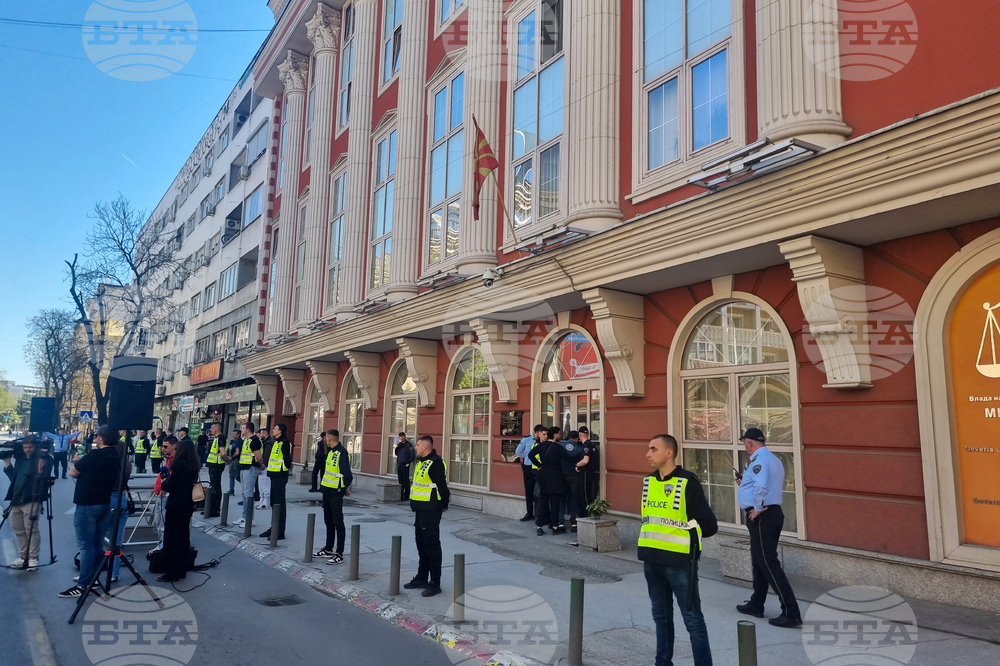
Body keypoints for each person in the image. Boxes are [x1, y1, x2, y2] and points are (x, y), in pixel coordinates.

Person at [641, 434, 718, 666]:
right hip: (651, 561)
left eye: (653, 449)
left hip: (680, 564)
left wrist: (687, 538)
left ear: (669, 452)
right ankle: (662, 663)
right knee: (661, 618)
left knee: (693, 620)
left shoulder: (687, 482)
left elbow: (709, 525)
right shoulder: (648, 481)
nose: (648, 454)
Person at [734, 428, 802, 628]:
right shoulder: (772, 459)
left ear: (748, 443)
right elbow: (760, 483)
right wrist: (743, 481)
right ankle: (756, 603)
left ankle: (791, 612)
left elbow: (761, 486)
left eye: (744, 443)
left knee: (768, 563)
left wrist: (756, 509)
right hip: (769, 513)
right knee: (759, 561)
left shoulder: (759, 460)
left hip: (763, 515)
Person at [59, 426, 120, 598]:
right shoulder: (115, 456)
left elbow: (73, 472)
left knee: (86, 546)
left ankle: (82, 585)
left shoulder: (94, 455)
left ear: (101, 438)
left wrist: (77, 462)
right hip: (104, 503)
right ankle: (91, 578)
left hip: (87, 505)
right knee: (97, 544)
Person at [403, 435, 449, 597]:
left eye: (418, 445)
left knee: (431, 546)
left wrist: (444, 504)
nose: (415, 447)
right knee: (421, 545)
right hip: (420, 510)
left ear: (426, 447)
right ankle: (422, 577)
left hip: (430, 510)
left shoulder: (435, 463)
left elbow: (442, 487)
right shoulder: (421, 462)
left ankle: (435, 583)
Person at [3, 435, 52, 571]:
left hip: (32, 499)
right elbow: (13, 477)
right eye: (25, 447)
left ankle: (33, 558)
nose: (27, 450)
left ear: (35, 447)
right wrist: (7, 462)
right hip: (16, 499)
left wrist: (41, 468)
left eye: (30, 447)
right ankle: (22, 556)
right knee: (18, 529)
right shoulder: (21, 459)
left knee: (31, 529)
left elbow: (45, 479)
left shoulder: (44, 459)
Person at [158, 436, 200, 583]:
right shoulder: (194, 465)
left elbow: (170, 486)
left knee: (172, 538)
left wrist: (164, 482)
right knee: (183, 537)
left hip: (176, 504)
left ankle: (171, 571)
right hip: (188, 504)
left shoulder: (179, 464)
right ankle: (182, 568)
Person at [314, 429, 353, 564]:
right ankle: (328, 548)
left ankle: (339, 553)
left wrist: (343, 488)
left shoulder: (341, 453)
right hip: (327, 491)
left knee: (338, 522)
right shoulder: (331, 452)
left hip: (335, 492)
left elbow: (347, 475)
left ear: (329, 438)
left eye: (326, 438)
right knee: (328, 521)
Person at [528, 427, 573, 535]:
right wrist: (580, 457)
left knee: (543, 501)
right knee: (555, 502)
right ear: (555, 435)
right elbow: (569, 458)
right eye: (559, 434)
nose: (560, 436)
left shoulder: (541, 445)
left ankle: (539, 525)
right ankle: (555, 526)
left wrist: (539, 465)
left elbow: (530, 455)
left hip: (544, 475)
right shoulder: (558, 448)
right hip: (556, 476)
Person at [105, 433, 135, 582]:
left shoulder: (109, 463)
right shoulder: (128, 464)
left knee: (98, 537)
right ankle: (114, 573)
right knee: (116, 541)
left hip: (109, 497)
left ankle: (94, 570)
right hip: (122, 498)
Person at [260, 423, 293, 540]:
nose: (273, 430)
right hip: (273, 475)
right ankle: (274, 527)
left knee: (279, 504)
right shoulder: (277, 442)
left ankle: (280, 531)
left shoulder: (284, 442)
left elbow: (287, 461)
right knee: (274, 503)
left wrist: (282, 471)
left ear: (281, 431)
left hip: (280, 476)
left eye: (275, 428)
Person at [234, 423, 262, 527]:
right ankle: (244, 516)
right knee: (244, 494)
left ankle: (250, 519)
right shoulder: (247, 440)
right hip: (244, 468)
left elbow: (258, 456)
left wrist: (261, 465)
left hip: (250, 469)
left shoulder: (254, 440)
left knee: (248, 494)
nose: (242, 430)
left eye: (243, 428)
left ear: (248, 430)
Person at [152, 435, 177, 551]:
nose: (163, 448)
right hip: (160, 494)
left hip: (165, 495)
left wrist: (165, 488)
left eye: (166, 446)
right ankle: (162, 545)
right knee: (159, 523)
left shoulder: (175, 461)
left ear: (174, 446)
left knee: (162, 524)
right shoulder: (168, 460)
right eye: (162, 446)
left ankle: (163, 547)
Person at [514, 424, 543, 522]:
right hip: (528, 467)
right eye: (541, 433)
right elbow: (518, 452)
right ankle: (529, 513)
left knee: (540, 491)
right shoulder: (527, 440)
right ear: (536, 433)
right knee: (529, 490)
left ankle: (540, 513)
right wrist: (527, 457)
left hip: (539, 467)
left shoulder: (543, 441)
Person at [559, 430, 585, 532]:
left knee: (562, 499)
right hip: (574, 475)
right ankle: (573, 521)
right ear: (576, 438)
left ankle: (561, 521)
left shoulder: (560, 445)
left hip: (562, 475)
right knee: (573, 499)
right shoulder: (579, 447)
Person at [204, 423, 227, 518]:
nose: (210, 429)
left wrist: (227, 459)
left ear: (217, 429)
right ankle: (212, 508)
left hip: (216, 466)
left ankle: (215, 509)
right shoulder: (217, 438)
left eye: (212, 428)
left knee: (216, 487)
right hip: (213, 465)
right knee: (213, 486)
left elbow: (222, 453)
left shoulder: (221, 438)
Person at [577, 426, 600, 510]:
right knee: (591, 494)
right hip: (593, 473)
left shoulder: (585, 446)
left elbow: (585, 460)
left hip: (585, 473)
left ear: (580, 434)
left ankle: (585, 515)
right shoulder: (593, 445)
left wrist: (577, 465)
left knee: (584, 495)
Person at [394, 432, 415, 501]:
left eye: (403, 436)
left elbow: (412, 455)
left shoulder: (409, 445)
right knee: (400, 481)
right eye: (400, 437)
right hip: (399, 464)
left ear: (405, 437)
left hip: (405, 464)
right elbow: (396, 453)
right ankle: (400, 494)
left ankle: (406, 495)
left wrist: (408, 462)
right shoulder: (399, 445)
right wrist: (397, 446)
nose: (402, 438)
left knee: (406, 480)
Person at [256, 427, 272, 510]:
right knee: (261, 483)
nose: (260, 435)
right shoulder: (264, 442)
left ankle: (265, 502)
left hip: (265, 466)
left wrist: (262, 465)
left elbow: (266, 456)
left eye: (261, 433)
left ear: (265, 434)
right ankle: (261, 499)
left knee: (264, 482)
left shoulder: (268, 443)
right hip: (263, 466)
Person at [227, 430, 242, 495]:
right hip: (241, 460)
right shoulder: (242, 441)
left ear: (238, 435)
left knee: (233, 475)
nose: (233, 435)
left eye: (234, 434)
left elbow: (237, 452)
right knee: (236, 474)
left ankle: (231, 490)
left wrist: (231, 457)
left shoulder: (236, 442)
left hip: (235, 460)